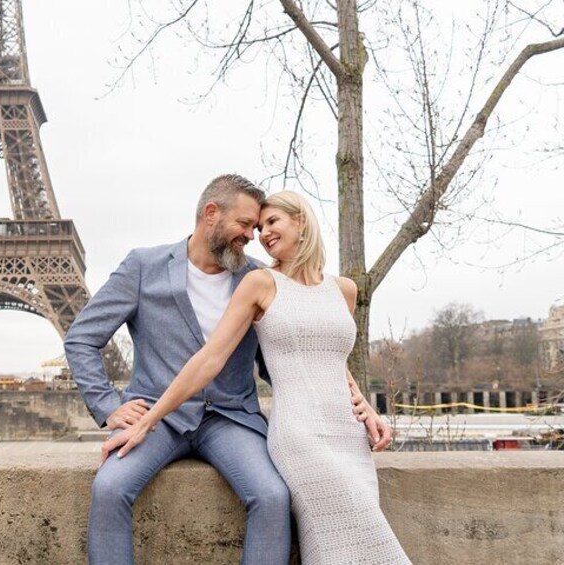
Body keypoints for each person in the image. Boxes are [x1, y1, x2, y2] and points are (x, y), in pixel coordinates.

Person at [64, 175, 390, 565]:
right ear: (211, 214)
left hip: (231, 419)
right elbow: (81, 337)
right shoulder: (142, 266)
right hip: (157, 415)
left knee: (272, 496)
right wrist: (108, 406)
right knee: (110, 488)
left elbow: (298, 355)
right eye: (246, 224)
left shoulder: (260, 279)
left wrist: (355, 404)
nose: (253, 236)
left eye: (259, 226)